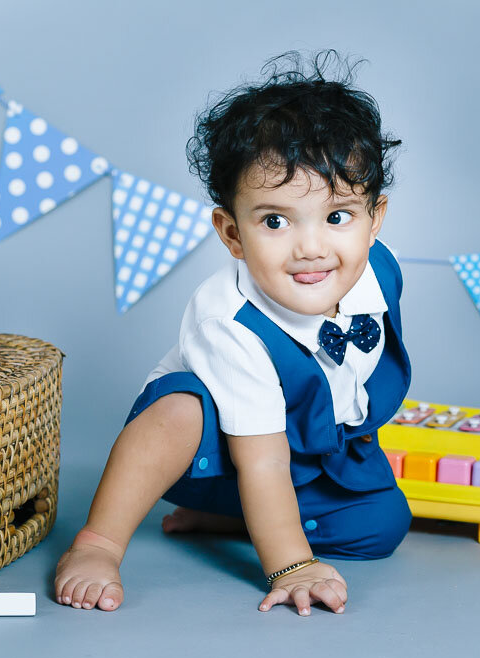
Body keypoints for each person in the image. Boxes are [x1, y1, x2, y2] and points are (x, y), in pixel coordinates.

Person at [54, 49, 412, 616]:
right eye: (275, 221)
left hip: (308, 447)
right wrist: (291, 564)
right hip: (215, 450)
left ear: (375, 219)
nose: (312, 248)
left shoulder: (378, 270)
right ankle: (98, 543)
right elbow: (261, 459)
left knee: (383, 527)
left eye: (337, 216)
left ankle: (229, 518)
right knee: (182, 412)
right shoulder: (230, 323)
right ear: (232, 233)